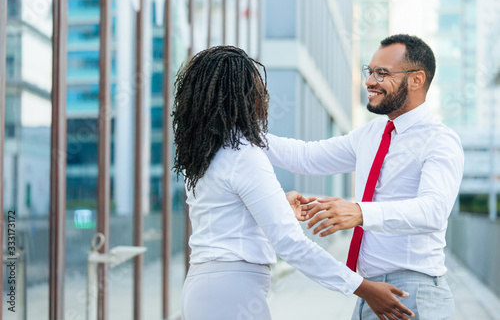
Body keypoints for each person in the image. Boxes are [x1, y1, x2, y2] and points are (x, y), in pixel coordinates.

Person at [173, 45, 414, 320]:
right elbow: (290, 243)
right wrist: (363, 287)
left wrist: (278, 206)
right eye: (256, 88)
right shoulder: (244, 156)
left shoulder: (205, 156)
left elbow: (228, 223)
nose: (262, 97)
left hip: (202, 286)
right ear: (242, 97)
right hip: (232, 292)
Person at [264, 34, 464, 319]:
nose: (369, 81)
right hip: (370, 292)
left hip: (413, 294)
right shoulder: (371, 134)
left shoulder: (439, 140)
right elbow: (306, 156)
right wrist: (242, 135)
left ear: (417, 79)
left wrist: (360, 212)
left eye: (382, 73)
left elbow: (433, 211)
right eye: (369, 71)